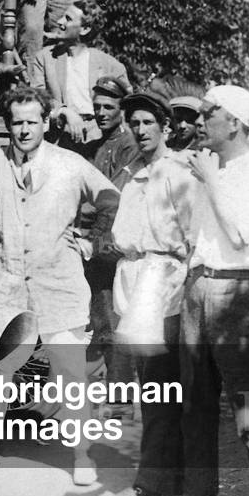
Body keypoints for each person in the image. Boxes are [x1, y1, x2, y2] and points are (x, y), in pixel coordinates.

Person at [0, 86, 120, 487]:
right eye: (16, 123)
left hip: (60, 284)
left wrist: (89, 241)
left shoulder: (70, 163)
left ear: (45, 122)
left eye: (31, 121)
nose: (24, 130)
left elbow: (111, 198)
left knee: (69, 371)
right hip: (9, 284)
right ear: (7, 125)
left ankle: (81, 455)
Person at [149, 85, 249, 496]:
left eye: (208, 113)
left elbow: (242, 233)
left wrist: (210, 180)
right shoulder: (209, 171)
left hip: (239, 296)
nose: (198, 122)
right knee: (194, 403)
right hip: (198, 291)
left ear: (234, 121)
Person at [96, 90, 198, 496]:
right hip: (134, 280)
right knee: (151, 383)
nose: (139, 130)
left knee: (160, 383)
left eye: (147, 123)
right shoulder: (131, 170)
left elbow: (193, 238)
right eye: (134, 123)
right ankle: (164, 471)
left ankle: (156, 478)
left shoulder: (178, 173)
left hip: (164, 282)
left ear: (164, 127)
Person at [84, 76, 143, 397]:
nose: (101, 113)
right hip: (98, 241)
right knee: (100, 316)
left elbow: (110, 195)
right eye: (97, 107)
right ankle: (114, 387)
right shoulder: (99, 145)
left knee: (112, 317)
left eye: (109, 107)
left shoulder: (129, 146)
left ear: (122, 108)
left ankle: (121, 392)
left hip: (112, 243)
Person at [31, 1, 130, 152]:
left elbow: (127, 107)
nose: (59, 22)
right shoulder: (45, 58)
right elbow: (36, 98)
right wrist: (64, 111)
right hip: (58, 140)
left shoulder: (110, 65)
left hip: (100, 141)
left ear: (84, 29)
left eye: (68, 19)